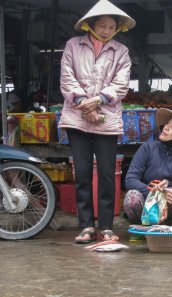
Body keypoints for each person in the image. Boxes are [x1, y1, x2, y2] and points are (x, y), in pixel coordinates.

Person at [58, 0, 135, 244]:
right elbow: (67, 79)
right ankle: (86, 227)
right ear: (90, 25)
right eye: (101, 25)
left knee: (106, 173)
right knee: (81, 173)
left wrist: (98, 101)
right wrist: (85, 103)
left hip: (106, 118)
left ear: (117, 29)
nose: (106, 30)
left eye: (111, 27)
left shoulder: (120, 51)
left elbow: (121, 83)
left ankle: (106, 227)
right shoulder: (72, 46)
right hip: (77, 117)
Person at [123, 108, 172, 229]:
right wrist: (156, 192)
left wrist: (169, 187)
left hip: (167, 207)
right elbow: (130, 179)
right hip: (146, 200)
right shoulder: (147, 148)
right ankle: (139, 226)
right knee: (132, 196)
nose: (166, 127)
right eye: (167, 123)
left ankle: (168, 227)